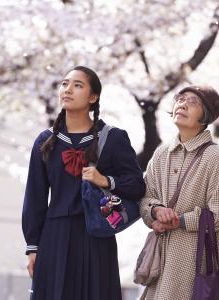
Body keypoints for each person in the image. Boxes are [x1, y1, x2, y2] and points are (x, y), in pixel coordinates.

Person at [22, 66, 146, 300]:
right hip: (54, 237)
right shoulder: (45, 140)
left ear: (93, 97)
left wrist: (105, 180)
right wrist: (33, 247)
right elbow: (35, 197)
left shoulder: (113, 138)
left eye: (77, 85)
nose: (67, 90)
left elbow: (137, 185)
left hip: (96, 235)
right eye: (64, 83)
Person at [139, 85, 219, 300]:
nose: (183, 104)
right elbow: (145, 198)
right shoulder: (161, 154)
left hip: (198, 264)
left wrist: (179, 220)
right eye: (180, 99)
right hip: (162, 264)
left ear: (205, 115)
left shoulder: (214, 157)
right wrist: (156, 210)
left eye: (193, 102)